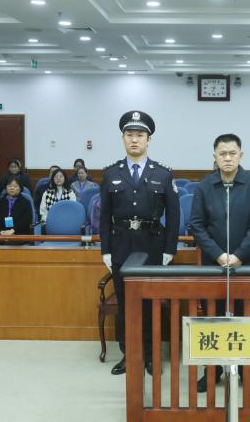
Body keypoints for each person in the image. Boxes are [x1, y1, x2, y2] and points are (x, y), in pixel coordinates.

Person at [99, 110, 180, 376]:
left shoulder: (163, 174)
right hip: (121, 245)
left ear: (149, 140)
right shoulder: (111, 173)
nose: (135, 140)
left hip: (152, 246)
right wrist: (106, 250)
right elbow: (104, 216)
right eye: (130, 135)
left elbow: (174, 215)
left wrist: (169, 249)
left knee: (150, 304)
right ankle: (129, 354)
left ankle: (151, 354)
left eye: (140, 135)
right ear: (122, 138)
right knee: (126, 305)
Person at [189, 133, 250, 393]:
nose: (227, 158)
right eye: (222, 153)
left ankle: (247, 370)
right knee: (213, 317)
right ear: (215, 156)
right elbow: (197, 225)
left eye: (232, 153)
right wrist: (219, 255)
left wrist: (239, 256)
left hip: (245, 264)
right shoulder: (205, 186)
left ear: (241, 155)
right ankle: (211, 371)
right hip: (213, 265)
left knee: (245, 317)